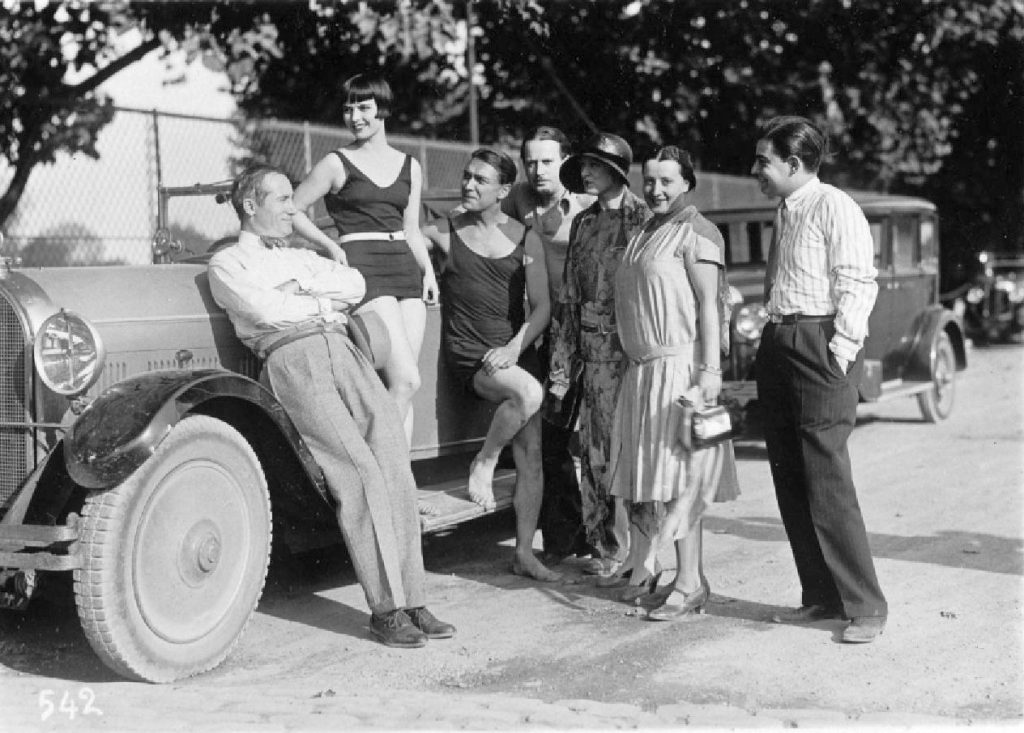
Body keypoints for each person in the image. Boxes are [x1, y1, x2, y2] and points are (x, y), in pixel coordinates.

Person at [208, 164, 454, 649]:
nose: (293, 209)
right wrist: (317, 294)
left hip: (345, 349)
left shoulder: (300, 255)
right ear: (251, 206)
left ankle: (414, 599)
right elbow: (265, 311)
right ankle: (386, 610)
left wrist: (299, 288)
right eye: (282, 199)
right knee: (357, 471)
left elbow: (356, 285)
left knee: (393, 459)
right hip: (294, 357)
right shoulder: (228, 263)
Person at [751, 116, 887, 643]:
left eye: (763, 161)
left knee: (827, 479)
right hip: (780, 340)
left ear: (793, 163)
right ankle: (822, 596)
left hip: (819, 344)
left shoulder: (834, 205)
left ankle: (866, 607)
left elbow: (858, 282)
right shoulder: (786, 211)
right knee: (789, 476)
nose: (756, 170)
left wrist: (839, 353)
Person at [606, 146, 740, 615]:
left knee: (684, 478)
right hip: (644, 372)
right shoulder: (644, 232)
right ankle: (666, 572)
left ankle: (689, 583)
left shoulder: (698, 232)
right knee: (655, 479)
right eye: (649, 180)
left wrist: (710, 375)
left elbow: (710, 306)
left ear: (687, 183)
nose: (656, 189)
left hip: (683, 371)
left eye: (667, 181)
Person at [422, 149, 560, 583]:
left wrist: (515, 349)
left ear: (503, 191)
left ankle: (523, 553)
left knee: (532, 455)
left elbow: (542, 307)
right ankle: (485, 461)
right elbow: (402, 238)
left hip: (513, 352)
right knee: (529, 393)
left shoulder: (526, 238)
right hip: (470, 353)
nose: (468, 185)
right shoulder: (444, 231)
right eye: (466, 176)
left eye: (480, 180)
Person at [290, 74, 438, 448]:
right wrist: (330, 245)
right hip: (364, 268)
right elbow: (292, 209)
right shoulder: (335, 163)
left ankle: (401, 478)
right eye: (348, 109)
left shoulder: (410, 165)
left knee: (402, 386)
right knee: (406, 381)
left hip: (405, 269)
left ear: (382, 109)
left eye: (364, 107)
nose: (355, 117)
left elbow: (411, 229)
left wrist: (429, 272)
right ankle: (374, 468)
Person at [547, 132, 652, 576]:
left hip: (634, 355)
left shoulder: (644, 218)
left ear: (616, 170)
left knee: (636, 454)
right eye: (583, 166)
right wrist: (560, 371)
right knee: (596, 457)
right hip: (593, 360)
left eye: (594, 165)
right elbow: (569, 298)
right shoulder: (583, 223)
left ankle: (643, 555)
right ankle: (608, 551)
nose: (586, 172)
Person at [501, 125, 595, 563]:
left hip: (591, 333)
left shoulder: (589, 204)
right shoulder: (518, 198)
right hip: (546, 333)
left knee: (596, 438)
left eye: (547, 161)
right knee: (551, 438)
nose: (538, 170)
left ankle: (606, 540)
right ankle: (564, 540)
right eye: (531, 161)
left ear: (566, 162)